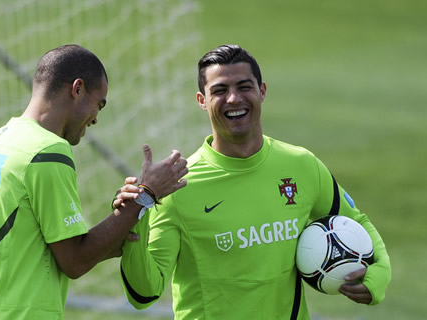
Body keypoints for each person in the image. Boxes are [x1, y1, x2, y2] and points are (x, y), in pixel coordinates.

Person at [119, 44, 391, 319]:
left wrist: (378, 276)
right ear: (202, 100)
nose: (234, 99)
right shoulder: (179, 187)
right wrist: (136, 211)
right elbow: (145, 292)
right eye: (220, 90)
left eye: (244, 87)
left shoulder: (302, 165)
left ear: (262, 91)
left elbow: (357, 222)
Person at [0, 44, 188, 319]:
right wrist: (146, 195)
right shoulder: (48, 152)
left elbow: (42, 246)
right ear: (77, 89)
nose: (96, 119)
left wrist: (115, 231)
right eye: (98, 104)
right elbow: (74, 261)